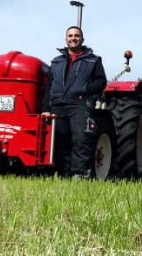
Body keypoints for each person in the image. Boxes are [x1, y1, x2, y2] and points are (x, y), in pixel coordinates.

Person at [42, 26, 107, 179]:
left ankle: (80, 174)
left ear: (82, 39)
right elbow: (49, 86)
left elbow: (101, 82)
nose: (73, 38)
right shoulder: (56, 62)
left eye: (76, 35)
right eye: (70, 35)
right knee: (60, 139)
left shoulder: (93, 60)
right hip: (58, 105)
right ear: (66, 39)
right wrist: (45, 108)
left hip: (79, 104)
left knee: (80, 138)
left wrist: (84, 89)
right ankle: (64, 174)